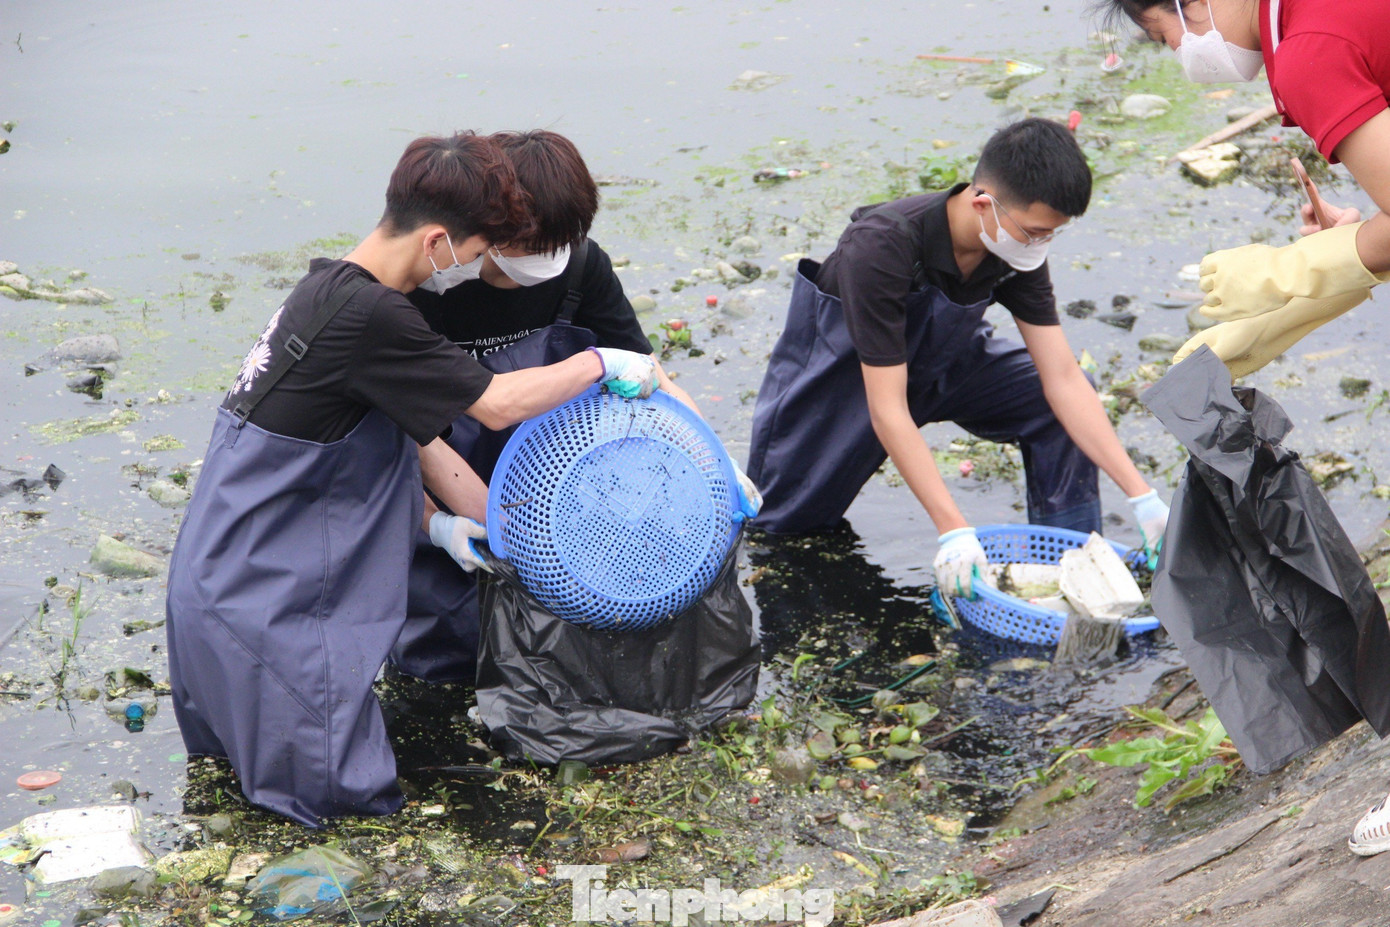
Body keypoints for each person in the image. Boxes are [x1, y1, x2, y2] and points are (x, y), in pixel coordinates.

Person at [164, 131, 663, 827]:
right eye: (483, 250)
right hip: (270, 609)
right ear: (438, 244)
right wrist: (599, 364)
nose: (482, 267)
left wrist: (474, 529)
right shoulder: (375, 316)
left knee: (239, 809)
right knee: (347, 819)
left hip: (217, 584)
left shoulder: (327, 291)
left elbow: (417, 435)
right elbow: (493, 402)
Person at [1095, 0, 1390, 857]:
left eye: (1163, 36)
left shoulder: (1309, 52)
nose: (1183, 54)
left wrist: (1302, 267)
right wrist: (1350, 236)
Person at [745, 118, 1169, 599]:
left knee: (1054, 405)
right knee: (781, 532)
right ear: (983, 202)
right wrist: (954, 529)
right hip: (847, 384)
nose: (1040, 245)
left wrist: (1143, 497)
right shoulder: (882, 245)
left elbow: (1063, 376)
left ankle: (1068, 567)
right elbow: (886, 406)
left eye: (1051, 234)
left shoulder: (1015, 244)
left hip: (947, 361)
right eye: (1034, 231)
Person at [393, 128, 705, 682]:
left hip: (560, 481)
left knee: (576, 646)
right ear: (490, 228)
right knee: (447, 660)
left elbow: (644, 366)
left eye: (558, 245)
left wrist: (710, 458)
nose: (548, 260)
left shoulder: (581, 268)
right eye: (531, 247)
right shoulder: (425, 288)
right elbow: (404, 429)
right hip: (441, 480)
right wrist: (449, 521)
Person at [1097, 0, 1390, 375]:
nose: (1177, 49)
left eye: (1161, 34)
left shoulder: (1309, 53)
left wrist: (1291, 268)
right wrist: (1343, 252)